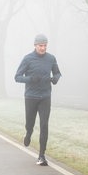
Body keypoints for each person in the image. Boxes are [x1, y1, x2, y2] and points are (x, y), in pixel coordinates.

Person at [14, 33, 61, 166]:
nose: (43, 48)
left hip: (45, 96)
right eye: (40, 45)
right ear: (35, 45)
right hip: (31, 97)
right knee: (30, 123)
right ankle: (28, 133)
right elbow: (17, 77)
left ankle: (41, 156)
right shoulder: (28, 59)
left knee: (44, 125)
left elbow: (57, 72)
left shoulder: (51, 58)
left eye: (45, 45)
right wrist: (30, 79)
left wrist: (55, 78)